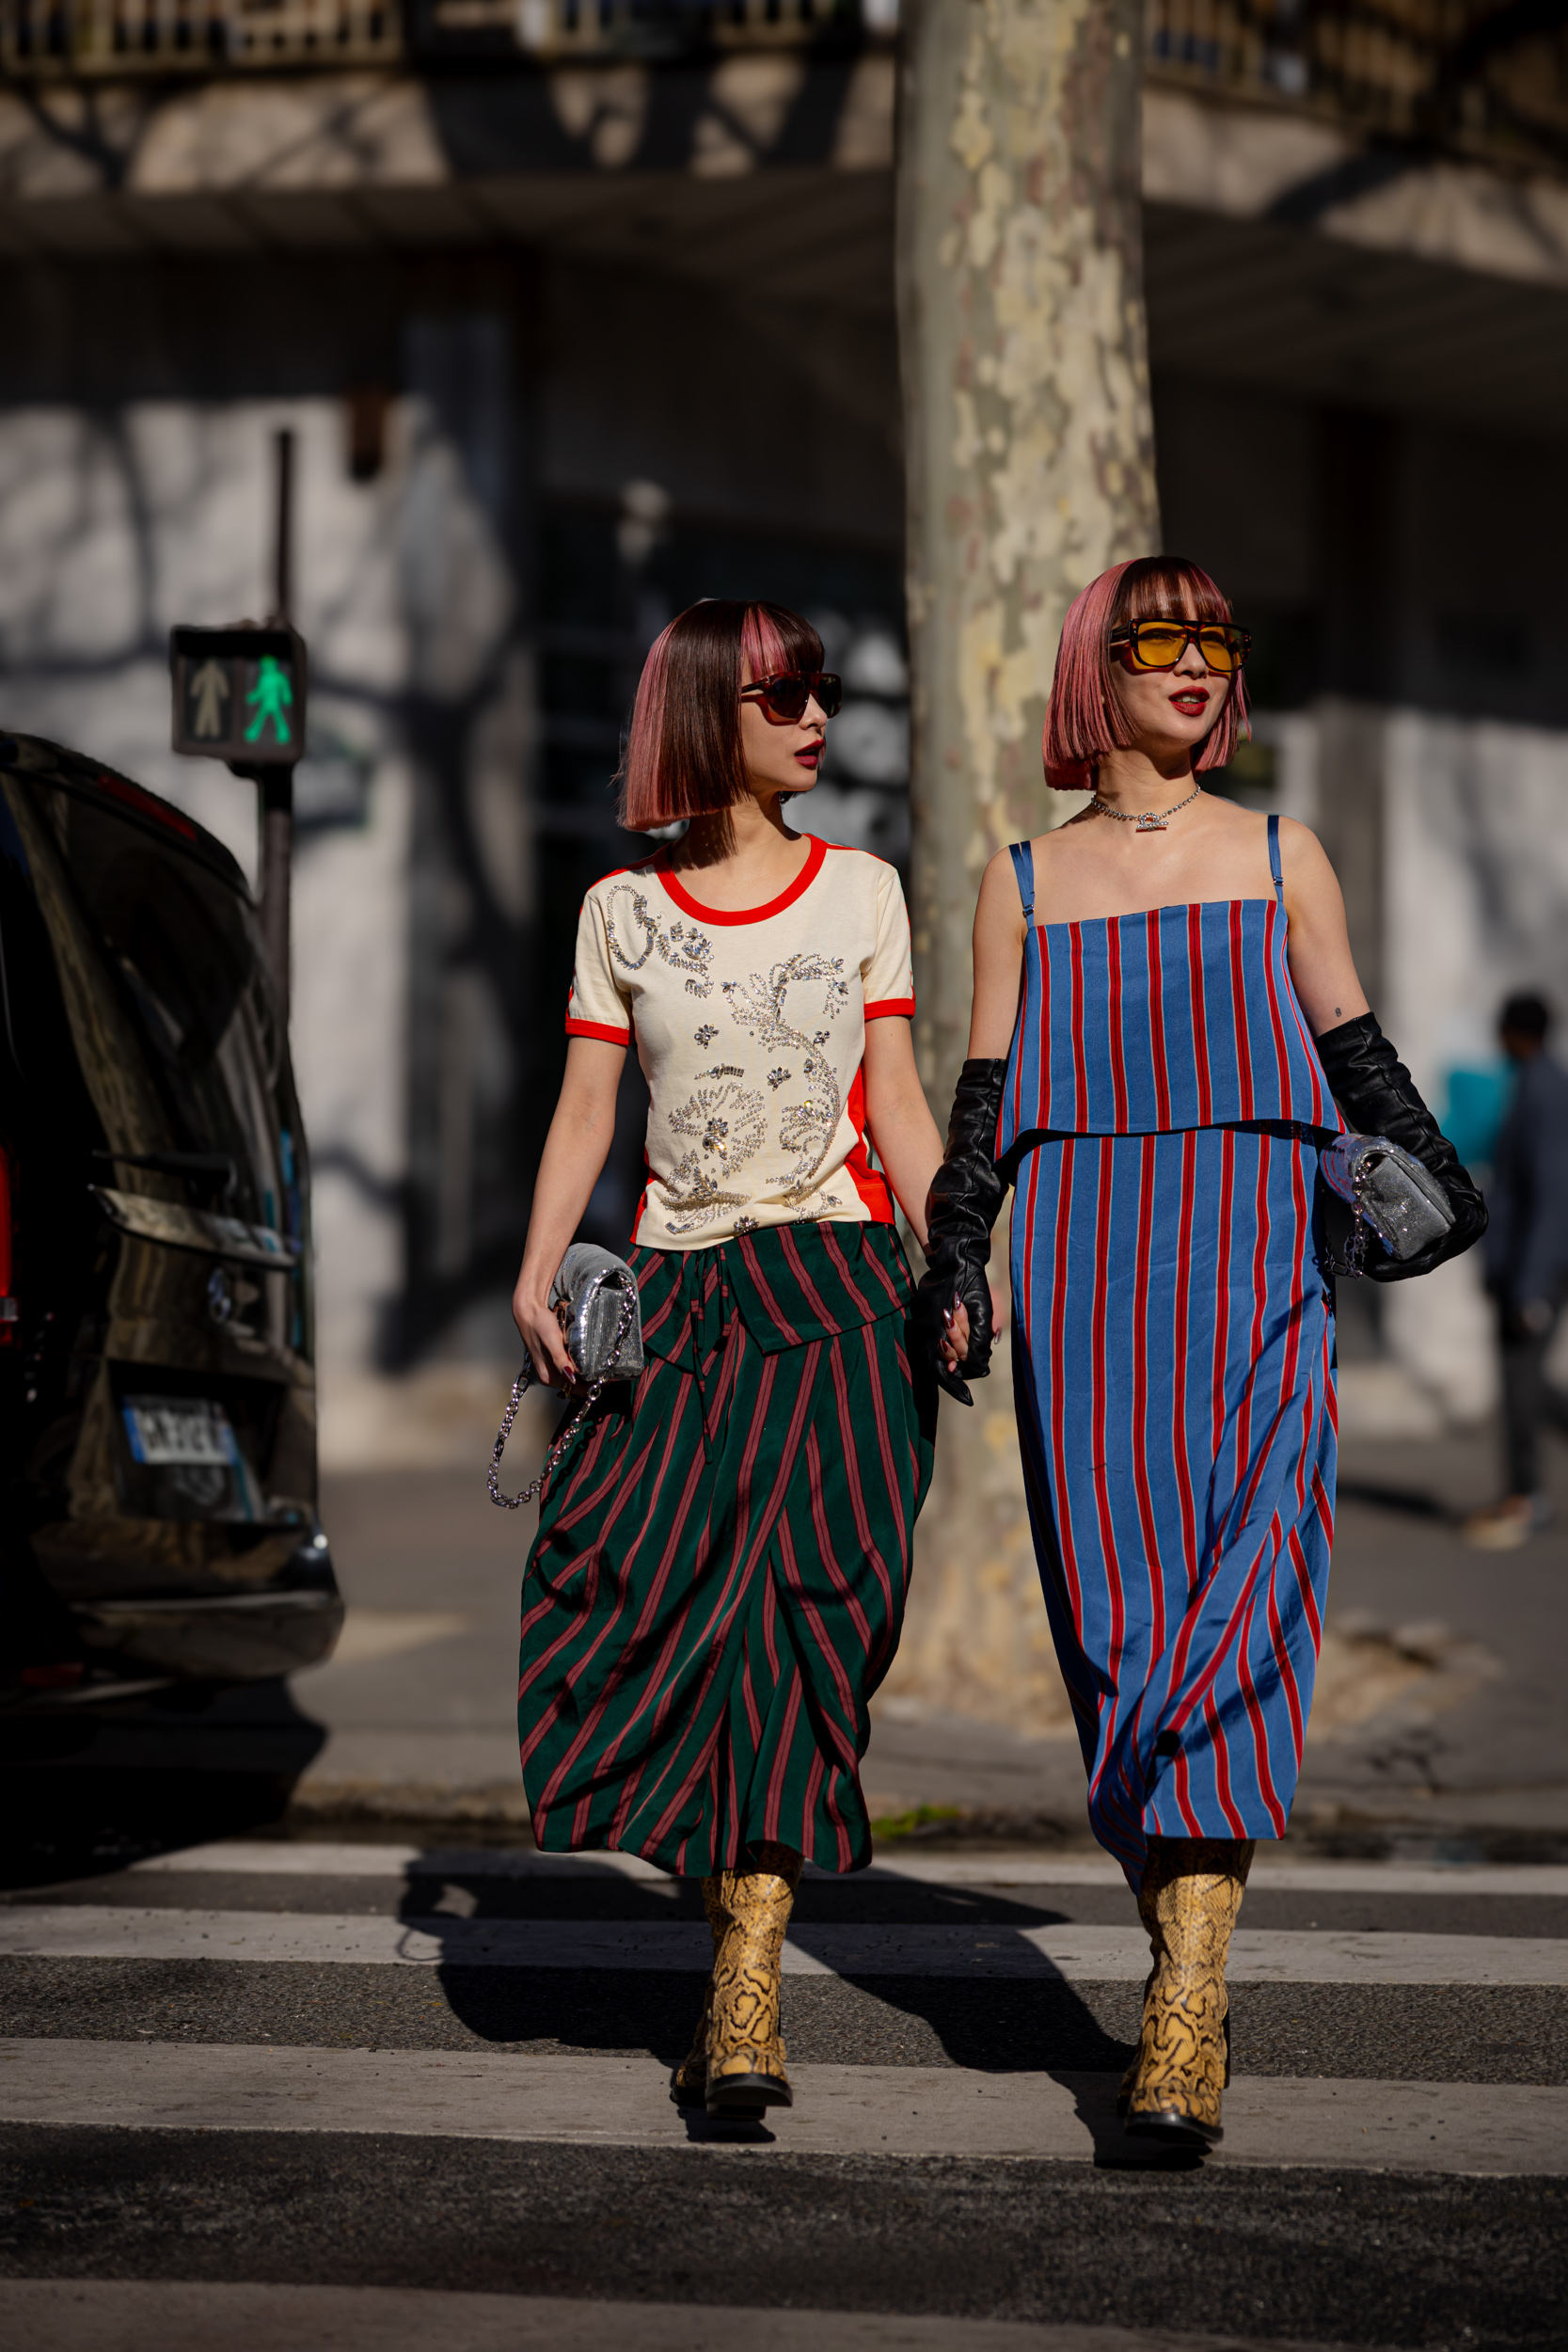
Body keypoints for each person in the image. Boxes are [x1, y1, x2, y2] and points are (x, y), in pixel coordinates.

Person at [916, 555, 1484, 2148]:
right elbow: (978, 1114)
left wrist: (1439, 1178)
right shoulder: (1018, 882)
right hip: (1088, 1279)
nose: (1196, 663)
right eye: (1160, 637)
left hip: (1256, 1261)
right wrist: (953, 1256)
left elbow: (1356, 1057)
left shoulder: (1284, 850)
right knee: (1116, 1640)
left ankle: (1184, 2007)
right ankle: (1176, 1930)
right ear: (1094, 667)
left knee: (1249, 1588)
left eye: (1216, 641)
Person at [511, 599, 943, 2122]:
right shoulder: (621, 912)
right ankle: (719, 1928)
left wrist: (955, 1261)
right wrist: (537, 1260)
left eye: (818, 691)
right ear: (705, 714)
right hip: (680, 1301)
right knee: (626, 1595)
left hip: (834, 1287)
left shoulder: (865, 891)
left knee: (803, 1628)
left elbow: (893, 1096)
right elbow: (585, 1109)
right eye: (781, 695)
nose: (815, 717)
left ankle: (745, 1991)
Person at [1465, 992, 1568, 1549]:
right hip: (1521, 1267)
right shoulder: (1530, 1083)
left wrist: (1530, 1289)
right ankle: (1521, 1493)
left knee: (1522, 1388)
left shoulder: (1546, 1092)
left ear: (1515, 1031)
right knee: (1523, 1385)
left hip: (1537, 1271)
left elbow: (1551, 1197)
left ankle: (1524, 1498)